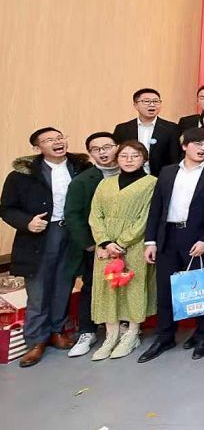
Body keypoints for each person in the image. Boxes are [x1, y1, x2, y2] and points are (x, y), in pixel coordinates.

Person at [0, 127, 92, 367]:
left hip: (72, 233)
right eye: (49, 140)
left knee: (64, 284)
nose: (57, 142)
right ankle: (35, 341)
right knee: (39, 290)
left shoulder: (81, 167)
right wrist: (27, 222)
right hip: (40, 235)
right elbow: (7, 208)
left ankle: (57, 330)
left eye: (60, 137)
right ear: (37, 147)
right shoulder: (22, 175)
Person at [139, 128, 204, 363]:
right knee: (165, 289)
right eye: (197, 144)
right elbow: (156, 208)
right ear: (184, 146)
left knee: (199, 289)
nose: (203, 149)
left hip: (197, 239)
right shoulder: (168, 171)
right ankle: (165, 336)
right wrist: (151, 240)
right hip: (168, 235)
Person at [86, 141, 158, 361]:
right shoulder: (105, 183)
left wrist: (122, 242)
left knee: (134, 288)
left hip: (135, 245)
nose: (129, 160)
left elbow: (147, 217)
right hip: (105, 246)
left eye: (135, 156)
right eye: (124, 155)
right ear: (117, 159)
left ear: (144, 159)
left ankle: (132, 334)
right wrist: (105, 242)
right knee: (107, 288)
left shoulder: (152, 183)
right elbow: (95, 215)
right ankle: (111, 336)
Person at [62, 132, 120, 358]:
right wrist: (89, 244)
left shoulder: (132, 174)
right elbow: (73, 215)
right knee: (91, 287)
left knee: (125, 285)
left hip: (126, 243)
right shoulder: (82, 181)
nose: (103, 152)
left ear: (117, 147)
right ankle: (88, 331)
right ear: (90, 153)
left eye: (107, 146)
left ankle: (124, 329)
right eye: (96, 149)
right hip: (96, 246)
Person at [112, 88, 180, 176]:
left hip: (160, 177)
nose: (152, 104)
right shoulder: (122, 129)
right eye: (146, 101)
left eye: (156, 101)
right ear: (135, 105)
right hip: (129, 177)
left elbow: (175, 157)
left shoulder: (171, 128)